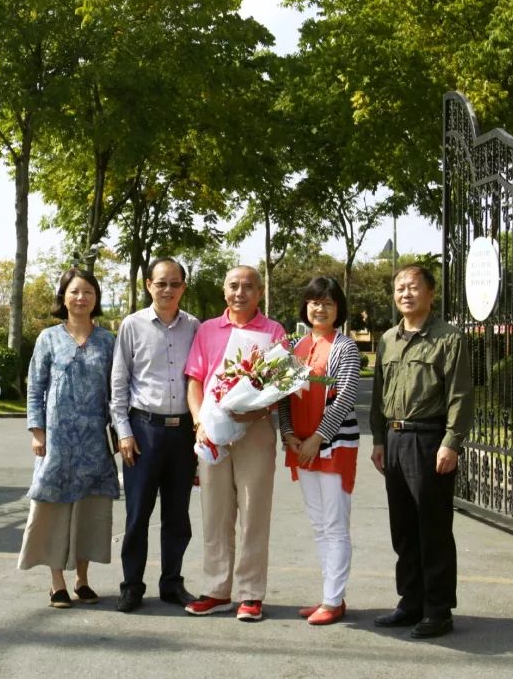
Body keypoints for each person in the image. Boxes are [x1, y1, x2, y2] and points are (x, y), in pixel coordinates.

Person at [370, 264, 473, 638]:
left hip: (429, 441)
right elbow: (380, 394)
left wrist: (451, 443)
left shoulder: (448, 338)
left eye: (413, 287)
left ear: (431, 293)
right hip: (395, 440)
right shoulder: (387, 340)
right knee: (403, 528)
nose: (405, 294)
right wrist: (379, 439)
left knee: (432, 528)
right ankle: (410, 602)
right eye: (399, 288)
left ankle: (438, 609)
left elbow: (460, 395)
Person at [183, 265, 285, 622]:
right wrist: (199, 422)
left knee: (253, 512)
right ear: (224, 291)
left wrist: (255, 410)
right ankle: (216, 589)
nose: (239, 292)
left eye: (248, 287)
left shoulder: (273, 331)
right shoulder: (207, 329)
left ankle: (251, 593)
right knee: (215, 511)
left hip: (254, 429)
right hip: (211, 429)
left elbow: (280, 385)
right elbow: (195, 379)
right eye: (233, 286)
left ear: (259, 292)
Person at [17, 268, 119, 609]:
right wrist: (37, 431)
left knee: (89, 509)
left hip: (94, 442)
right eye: (75, 291)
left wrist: (121, 434)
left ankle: (83, 580)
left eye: (88, 292)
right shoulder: (48, 338)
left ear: (96, 299)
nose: (81, 298)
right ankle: (56, 582)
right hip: (56, 441)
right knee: (52, 509)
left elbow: (117, 393)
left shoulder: (107, 341)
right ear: (63, 297)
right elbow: (35, 388)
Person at [110, 257, 201, 613]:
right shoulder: (132, 326)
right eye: (161, 283)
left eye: (174, 283)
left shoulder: (194, 327)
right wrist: (123, 431)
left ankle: (171, 583)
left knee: (178, 516)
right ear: (148, 285)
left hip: (182, 435)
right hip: (142, 432)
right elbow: (119, 383)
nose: (167, 289)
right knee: (137, 515)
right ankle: (132, 584)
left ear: (183, 287)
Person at [279, 277, 360, 626]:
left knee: (335, 524)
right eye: (314, 302)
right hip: (301, 445)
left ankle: (333, 599)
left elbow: (345, 397)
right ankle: (331, 597)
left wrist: (318, 438)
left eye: (327, 302)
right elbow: (281, 394)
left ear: (338, 308)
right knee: (318, 524)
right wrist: (287, 434)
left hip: (334, 445)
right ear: (306, 307)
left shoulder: (346, 347)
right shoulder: (295, 348)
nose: (320, 308)